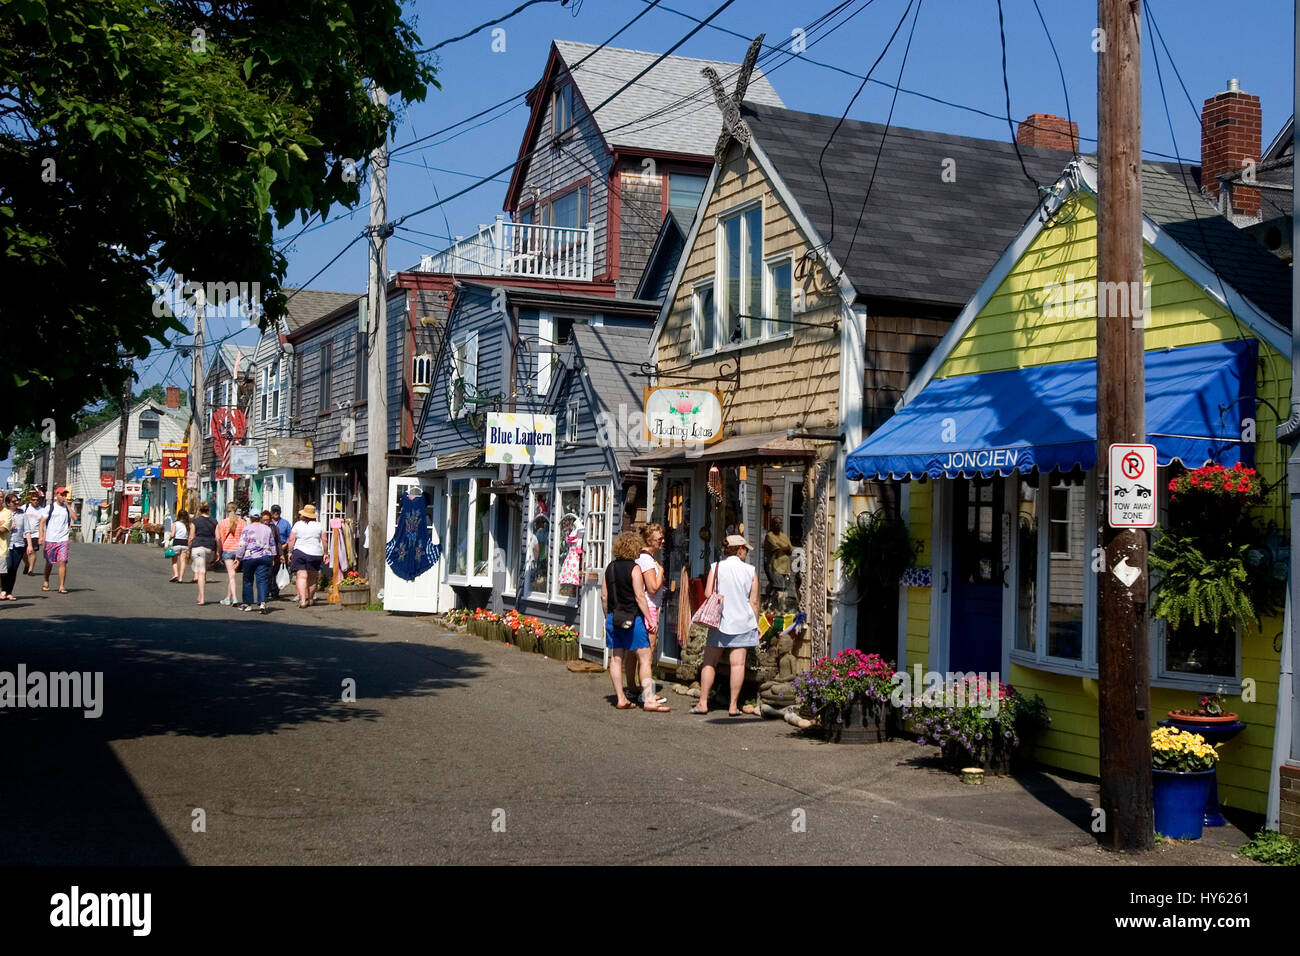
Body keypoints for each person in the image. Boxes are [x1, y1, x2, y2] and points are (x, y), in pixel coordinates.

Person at [693, 534, 761, 717]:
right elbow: (754, 602)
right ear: (739, 549)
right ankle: (732, 706)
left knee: (709, 662)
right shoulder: (750, 571)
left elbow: (708, 593)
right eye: (745, 549)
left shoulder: (716, 568)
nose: (746, 552)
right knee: (738, 665)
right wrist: (757, 623)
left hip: (720, 622)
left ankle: (703, 702)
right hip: (743, 622)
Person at [602, 530, 668, 713]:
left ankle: (621, 698)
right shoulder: (634, 568)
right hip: (633, 617)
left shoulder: (610, 568)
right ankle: (648, 699)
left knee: (616, 659)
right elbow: (640, 596)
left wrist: (607, 617)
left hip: (614, 617)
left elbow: (604, 596)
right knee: (645, 657)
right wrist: (649, 618)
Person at [634, 523, 668, 705]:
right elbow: (653, 587)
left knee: (639, 651)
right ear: (649, 540)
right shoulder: (647, 560)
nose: (662, 541)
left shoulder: (644, 558)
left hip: (648, 607)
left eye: (662, 538)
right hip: (650, 609)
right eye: (658, 539)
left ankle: (636, 688)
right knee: (648, 651)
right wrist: (661, 571)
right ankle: (646, 692)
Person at [235, 510, 276, 613]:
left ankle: (248, 604)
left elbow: (242, 544)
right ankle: (262, 603)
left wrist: (238, 557)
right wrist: (272, 557)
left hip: (250, 557)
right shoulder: (267, 529)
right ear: (260, 518)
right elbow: (272, 543)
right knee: (262, 580)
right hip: (264, 556)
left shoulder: (247, 529)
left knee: (248, 580)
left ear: (250, 517)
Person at [39, 486, 77, 594]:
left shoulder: (66, 508)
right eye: (61, 494)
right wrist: (41, 536)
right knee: (49, 562)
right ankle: (46, 580)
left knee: (63, 562)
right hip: (50, 538)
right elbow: (42, 522)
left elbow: (75, 518)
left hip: (63, 539)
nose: (63, 496)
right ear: (56, 495)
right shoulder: (50, 507)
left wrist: (68, 506)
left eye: (65, 494)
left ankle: (61, 586)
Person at [286, 504, 324, 608]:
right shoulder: (319, 525)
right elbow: (324, 540)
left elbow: (291, 539)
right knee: (312, 578)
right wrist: (326, 553)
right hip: (315, 553)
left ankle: (303, 600)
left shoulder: (298, 525)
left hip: (300, 552)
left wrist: (290, 552)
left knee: (301, 576)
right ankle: (310, 599)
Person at [215, 503, 246, 606]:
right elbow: (245, 538)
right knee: (232, 575)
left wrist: (218, 552)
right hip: (239, 551)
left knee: (231, 575)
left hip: (227, 549)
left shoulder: (223, 523)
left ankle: (235, 598)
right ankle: (228, 598)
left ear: (226, 510)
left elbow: (220, 539)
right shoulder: (242, 522)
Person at [189, 501, 219, 606]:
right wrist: (218, 551)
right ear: (209, 510)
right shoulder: (214, 522)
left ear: (199, 509)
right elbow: (218, 538)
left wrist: (189, 549)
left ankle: (201, 597)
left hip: (197, 547)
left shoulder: (195, 522)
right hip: (209, 548)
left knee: (201, 572)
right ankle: (200, 595)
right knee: (204, 572)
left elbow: (191, 537)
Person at [763, 516, 793, 600]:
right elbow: (777, 550)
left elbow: (790, 550)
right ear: (772, 525)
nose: (778, 525)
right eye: (776, 523)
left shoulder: (784, 536)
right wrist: (785, 547)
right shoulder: (769, 536)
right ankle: (774, 606)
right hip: (776, 567)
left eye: (780, 523)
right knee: (778, 589)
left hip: (786, 568)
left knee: (783, 589)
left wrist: (781, 546)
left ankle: (769, 604)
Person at [268, 505, 291, 600]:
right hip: (269, 549)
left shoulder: (285, 523)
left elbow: (290, 536)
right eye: (274, 511)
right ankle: (266, 590)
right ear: (271, 512)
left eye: (277, 511)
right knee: (268, 571)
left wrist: (285, 545)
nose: (276, 513)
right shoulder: (267, 523)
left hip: (282, 548)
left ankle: (275, 591)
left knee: (277, 571)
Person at [0, 492, 17, 601]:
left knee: (2, 575)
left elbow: (2, 529)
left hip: (1, 551)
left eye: (1, 496)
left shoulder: (7, 513)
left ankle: (5, 591)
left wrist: (2, 525)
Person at [169, 509, 192, 583]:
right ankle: (181, 578)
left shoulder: (175, 523)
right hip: (185, 543)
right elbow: (190, 535)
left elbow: (172, 534)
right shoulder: (188, 524)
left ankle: (176, 574)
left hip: (177, 542)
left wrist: (169, 539)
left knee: (174, 560)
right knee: (183, 561)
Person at [23, 490, 42, 574]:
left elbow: (43, 524)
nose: (35, 501)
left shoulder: (41, 510)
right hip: (24, 534)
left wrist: (42, 536)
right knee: (23, 553)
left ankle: (30, 570)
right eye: (33, 500)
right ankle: (27, 564)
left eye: (37, 500)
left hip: (35, 534)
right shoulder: (25, 507)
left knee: (33, 551)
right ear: (30, 500)